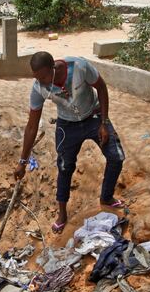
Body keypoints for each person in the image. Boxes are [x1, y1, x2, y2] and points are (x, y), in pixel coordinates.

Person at [13, 51, 125, 233]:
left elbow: (102, 88)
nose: (40, 82)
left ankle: (106, 197)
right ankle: (62, 214)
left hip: (94, 115)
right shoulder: (38, 88)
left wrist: (104, 122)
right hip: (67, 125)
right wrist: (22, 162)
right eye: (36, 78)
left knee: (116, 157)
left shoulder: (79, 67)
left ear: (53, 68)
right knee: (65, 167)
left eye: (43, 77)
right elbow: (32, 126)